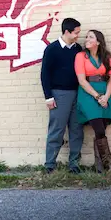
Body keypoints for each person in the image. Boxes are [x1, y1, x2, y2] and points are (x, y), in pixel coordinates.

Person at [40, 17, 84, 174]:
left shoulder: (78, 49)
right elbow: (45, 74)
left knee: (77, 130)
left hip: (78, 94)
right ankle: (50, 165)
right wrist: (48, 97)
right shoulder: (52, 49)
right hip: (59, 95)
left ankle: (74, 165)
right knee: (56, 130)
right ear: (67, 32)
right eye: (76, 32)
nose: (78, 35)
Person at [74, 29, 111, 173]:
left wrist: (106, 96)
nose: (86, 39)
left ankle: (100, 167)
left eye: (90, 37)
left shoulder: (107, 57)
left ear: (98, 41)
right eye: (86, 37)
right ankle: (108, 165)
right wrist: (98, 97)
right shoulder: (80, 56)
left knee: (102, 129)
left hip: (104, 93)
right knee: (98, 127)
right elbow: (81, 80)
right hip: (88, 94)